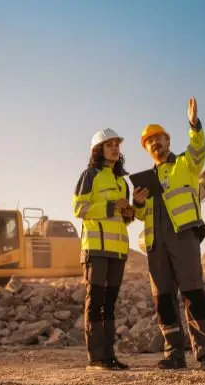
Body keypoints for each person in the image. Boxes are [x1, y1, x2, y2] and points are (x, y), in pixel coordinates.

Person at [131, 96, 205, 371]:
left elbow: (199, 148)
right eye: (150, 142)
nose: (155, 144)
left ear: (168, 141)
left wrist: (194, 125)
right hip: (155, 243)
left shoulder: (185, 164)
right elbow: (138, 216)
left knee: (193, 292)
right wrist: (138, 202)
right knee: (163, 299)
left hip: (183, 236)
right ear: (146, 149)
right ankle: (174, 354)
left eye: (159, 139)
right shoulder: (145, 181)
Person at [72, 128, 135, 371]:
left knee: (109, 305)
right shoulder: (90, 175)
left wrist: (129, 211)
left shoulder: (122, 182)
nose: (115, 148)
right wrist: (111, 206)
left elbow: (123, 220)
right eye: (109, 144)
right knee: (95, 302)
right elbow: (80, 208)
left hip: (117, 252)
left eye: (117, 144)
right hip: (95, 250)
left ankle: (109, 356)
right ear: (98, 150)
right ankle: (96, 358)